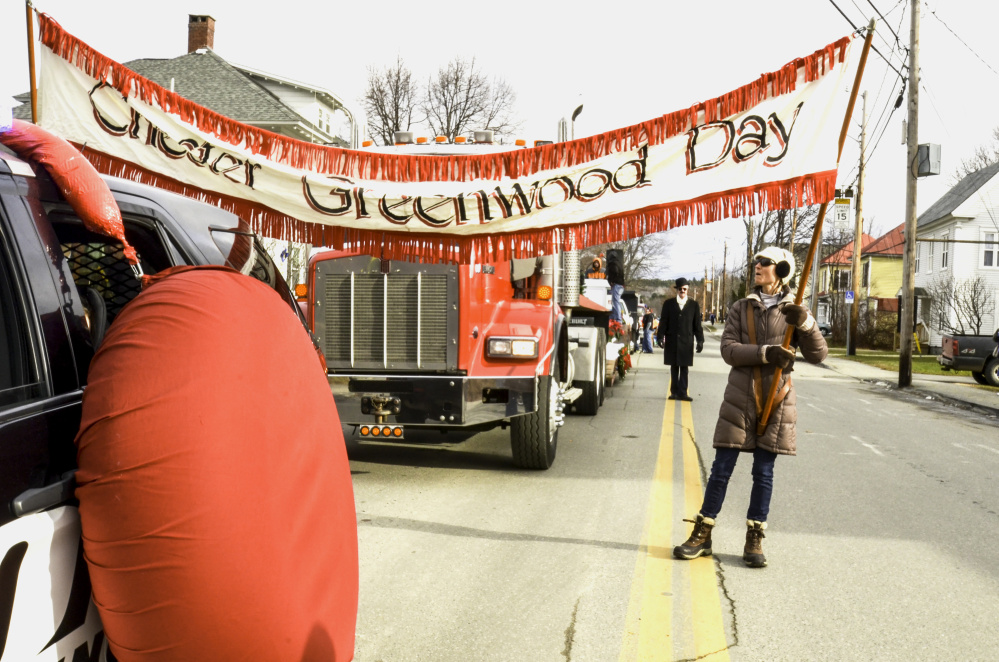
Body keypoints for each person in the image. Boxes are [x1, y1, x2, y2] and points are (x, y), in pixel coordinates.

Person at [672, 246, 827, 568]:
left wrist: (808, 325)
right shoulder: (741, 308)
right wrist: (767, 353)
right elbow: (729, 350)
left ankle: (753, 539)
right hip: (740, 396)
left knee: (763, 472)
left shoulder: (795, 309)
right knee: (721, 469)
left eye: (764, 263)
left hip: (777, 397)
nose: (757, 266)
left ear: (781, 270)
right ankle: (703, 533)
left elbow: (818, 356)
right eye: (755, 261)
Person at [656, 277, 704, 400]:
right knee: (674, 367)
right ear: (677, 290)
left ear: (687, 290)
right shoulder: (668, 304)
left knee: (684, 368)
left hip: (686, 342)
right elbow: (664, 322)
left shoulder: (694, 305)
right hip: (672, 340)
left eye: (684, 289)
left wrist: (700, 340)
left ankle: (683, 393)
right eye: (680, 289)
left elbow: (697, 325)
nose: (682, 291)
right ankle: (674, 392)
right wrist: (660, 337)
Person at [606, 251, 625, 322]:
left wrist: (612, 280)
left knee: (615, 301)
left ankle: (617, 318)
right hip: (620, 284)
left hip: (617, 284)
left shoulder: (613, 264)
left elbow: (615, 271)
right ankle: (614, 316)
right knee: (615, 301)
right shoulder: (619, 263)